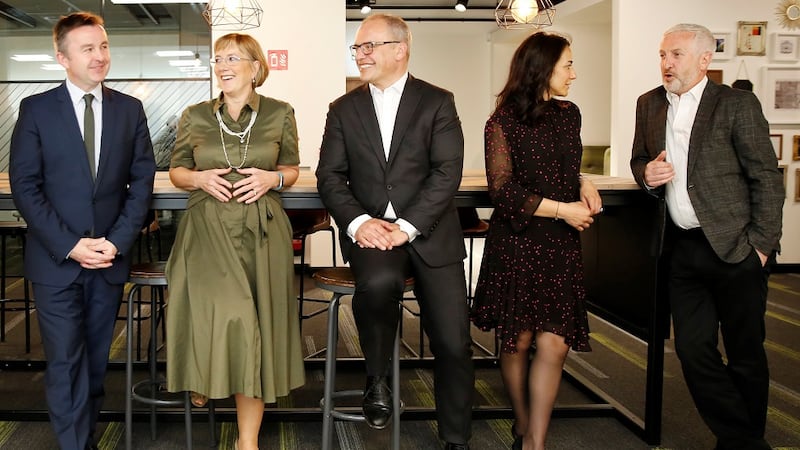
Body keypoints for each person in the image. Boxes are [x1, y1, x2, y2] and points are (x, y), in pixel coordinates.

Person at [316, 13, 474, 450]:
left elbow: (447, 172)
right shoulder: (343, 109)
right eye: (357, 48)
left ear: (400, 49)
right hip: (371, 235)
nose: (360, 55)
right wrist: (359, 223)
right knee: (380, 283)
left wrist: (406, 227)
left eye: (369, 46)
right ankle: (377, 377)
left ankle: (456, 438)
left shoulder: (438, 101)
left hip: (430, 233)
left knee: (453, 341)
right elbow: (330, 176)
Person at [630, 23, 784, 450]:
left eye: (676, 55)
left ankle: (737, 442)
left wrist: (761, 246)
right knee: (692, 350)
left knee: (745, 353)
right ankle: (745, 441)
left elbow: (766, 176)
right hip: (682, 249)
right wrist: (645, 173)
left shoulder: (736, 104)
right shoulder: (648, 104)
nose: (666, 63)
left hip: (738, 247)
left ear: (704, 59)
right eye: (663, 55)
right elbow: (639, 158)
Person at [9, 11, 156, 450]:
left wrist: (116, 241)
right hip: (56, 260)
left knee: (93, 363)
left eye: (104, 46)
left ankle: (84, 438)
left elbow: (142, 181)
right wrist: (71, 245)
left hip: (108, 258)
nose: (99, 56)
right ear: (63, 58)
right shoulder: (36, 109)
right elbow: (25, 186)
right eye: (88, 48)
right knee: (65, 361)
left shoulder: (129, 109)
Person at [165, 33, 305, 450]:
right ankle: (207, 373)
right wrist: (198, 179)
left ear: (255, 67)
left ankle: (247, 441)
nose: (223, 66)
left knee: (254, 324)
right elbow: (176, 170)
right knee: (234, 318)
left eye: (232, 58)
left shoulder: (280, 112)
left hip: (261, 231)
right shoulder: (194, 115)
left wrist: (272, 178)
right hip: (206, 229)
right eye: (218, 59)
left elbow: (291, 168)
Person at [470, 32, 602, 450]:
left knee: (556, 343)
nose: (574, 74)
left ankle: (535, 443)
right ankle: (523, 421)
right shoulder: (502, 121)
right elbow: (503, 191)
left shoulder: (570, 114)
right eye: (568, 65)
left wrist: (584, 180)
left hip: (560, 244)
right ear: (542, 68)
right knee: (520, 339)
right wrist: (564, 209)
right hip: (518, 241)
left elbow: (563, 166)